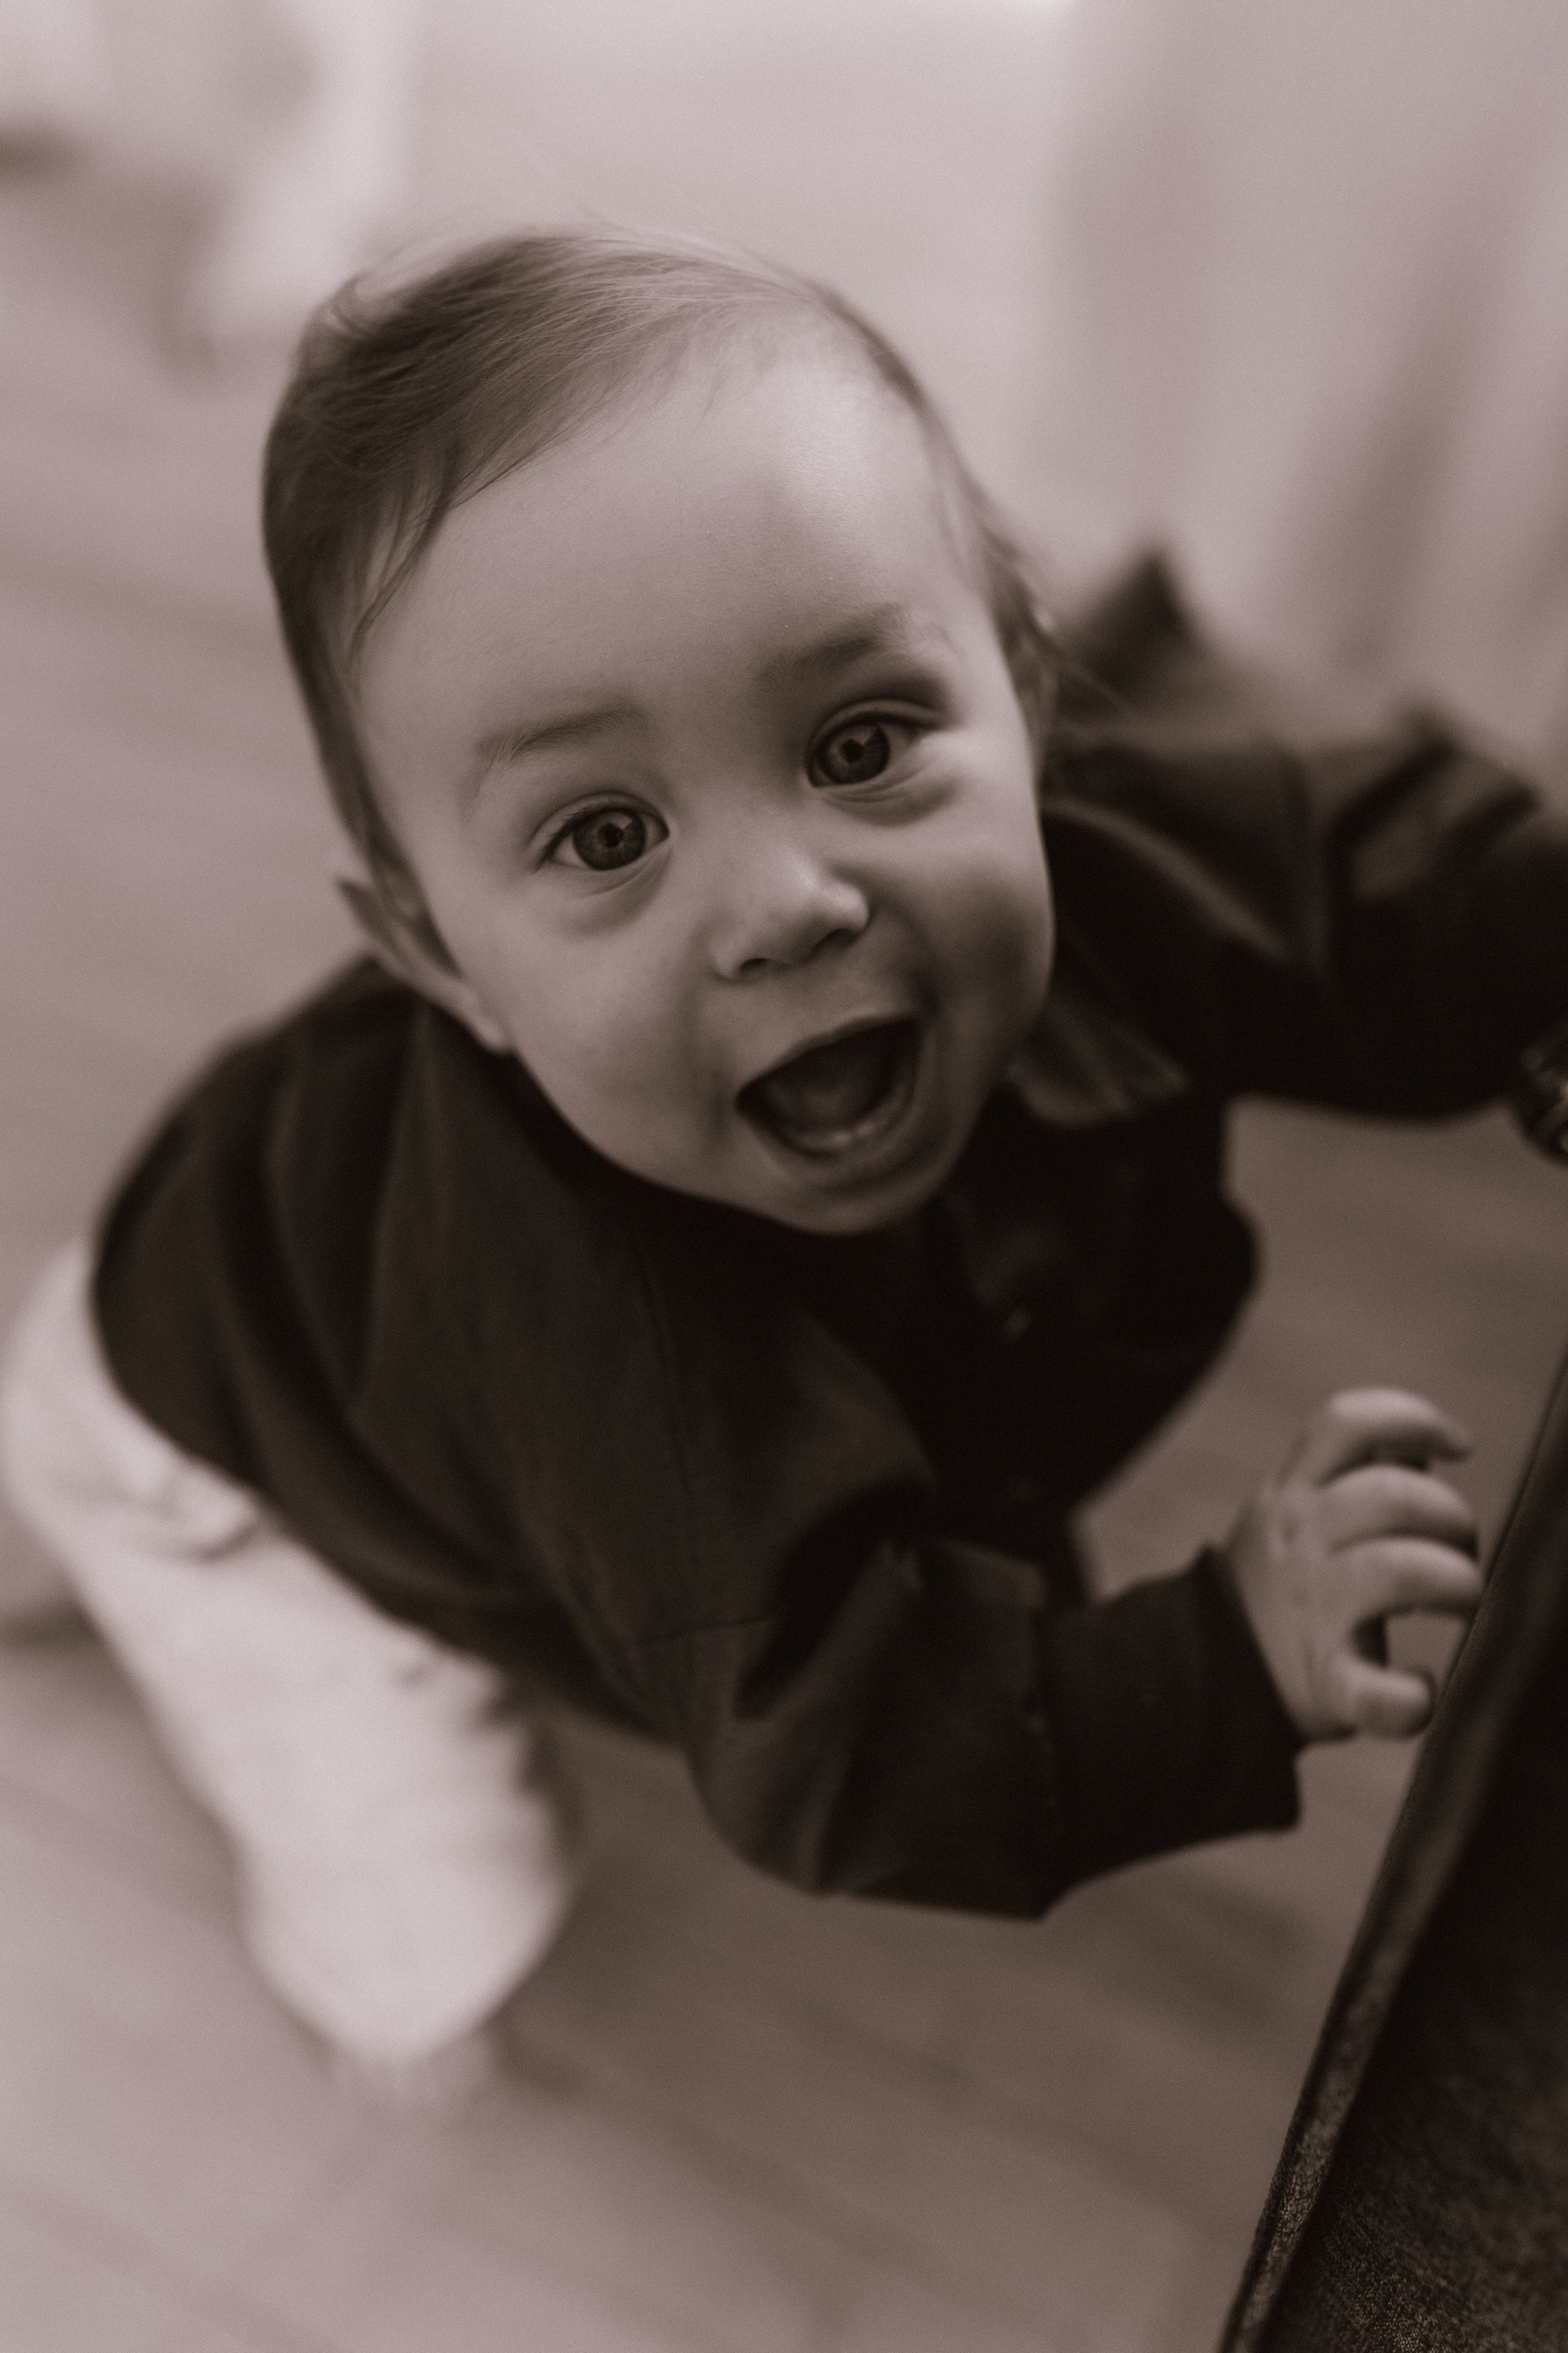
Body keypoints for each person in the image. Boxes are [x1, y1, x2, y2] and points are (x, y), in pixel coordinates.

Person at [2, 229, 1562, 2097]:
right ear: (440, 962)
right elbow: (852, 1737)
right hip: (222, 1453)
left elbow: (1373, 884)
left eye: (860, 738)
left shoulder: (1100, 854)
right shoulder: (626, 1360)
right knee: (435, 1892)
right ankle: (371, 1997)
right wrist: (1220, 1660)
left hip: (304, 1267)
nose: (784, 903)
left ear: (1027, 698)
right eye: (604, 836)